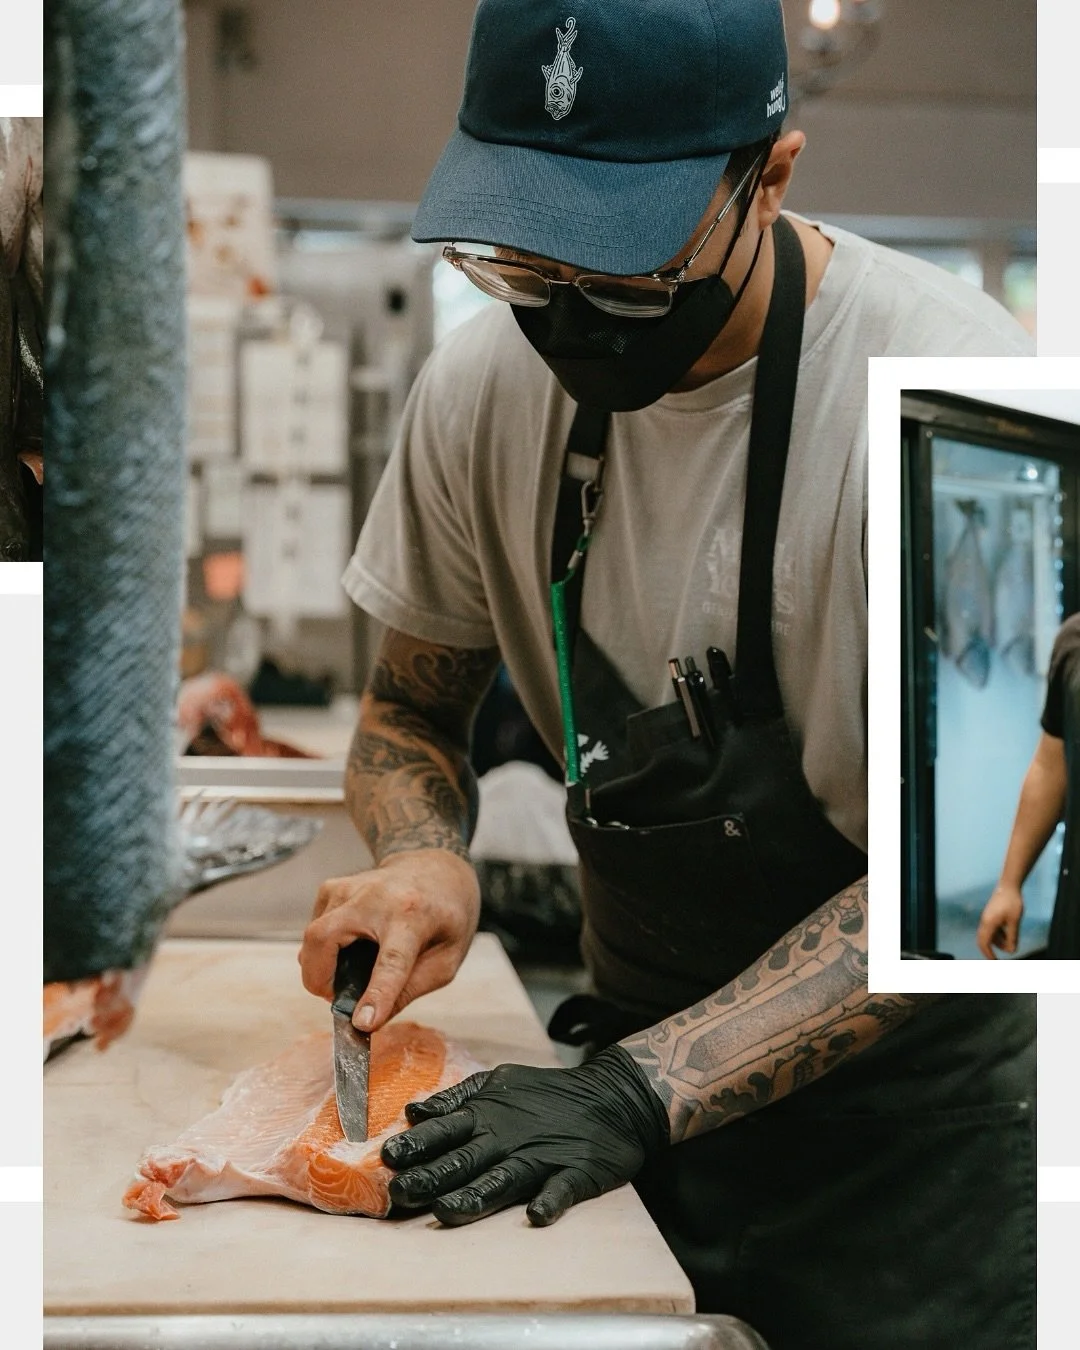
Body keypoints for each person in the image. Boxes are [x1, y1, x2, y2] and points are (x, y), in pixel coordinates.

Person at [299, 3, 1036, 1346]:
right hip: (628, 1151)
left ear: (773, 176)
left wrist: (639, 1089)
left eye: (629, 266)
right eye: (523, 263)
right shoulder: (478, 393)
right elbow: (411, 705)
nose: (570, 311)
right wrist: (421, 852)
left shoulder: (962, 397)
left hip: (917, 1177)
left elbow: (990, 874)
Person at [979, 611, 1080, 960]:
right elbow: (1050, 765)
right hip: (1074, 920)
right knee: (1066, 1017)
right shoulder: (1074, 642)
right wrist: (1009, 884)